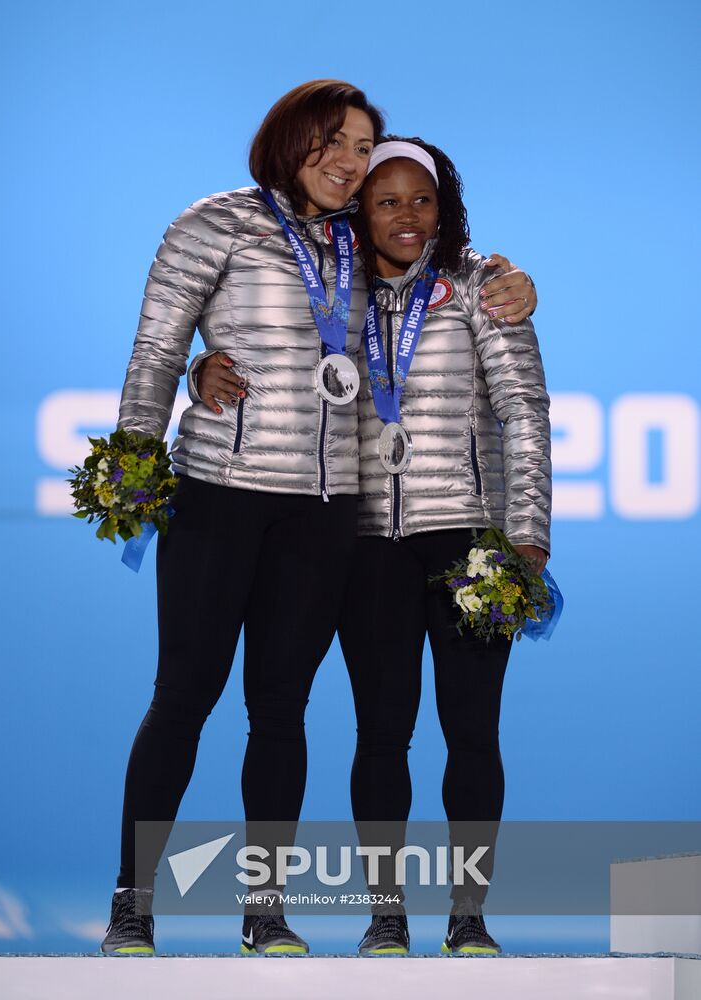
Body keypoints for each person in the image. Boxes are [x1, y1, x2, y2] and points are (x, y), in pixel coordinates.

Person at [111, 81, 537, 958]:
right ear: (289, 142)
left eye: (362, 146)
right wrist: (166, 415)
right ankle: (133, 904)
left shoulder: (372, 248)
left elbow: (441, 282)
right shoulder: (215, 223)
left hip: (324, 517)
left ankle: (266, 911)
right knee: (183, 699)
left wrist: (512, 281)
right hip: (220, 501)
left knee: (282, 713)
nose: (351, 164)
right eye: (334, 145)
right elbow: (160, 343)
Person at [339, 137, 551, 956]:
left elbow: (525, 413)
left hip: (471, 542)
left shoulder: (480, 289)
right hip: (368, 545)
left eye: (420, 199)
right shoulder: (332, 292)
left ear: (444, 207)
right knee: (380, 734)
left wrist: (525, 534)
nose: (405, 215)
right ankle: (386, 914)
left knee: (473, 733)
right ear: (360, 207)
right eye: (385, 199)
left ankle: (468, 916)